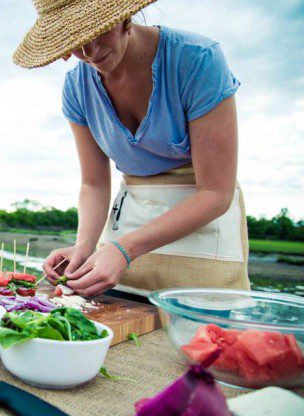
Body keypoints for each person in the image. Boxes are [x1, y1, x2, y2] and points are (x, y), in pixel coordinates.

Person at [13, 0, 250, 295]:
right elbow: (94, 184)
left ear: (124, 15)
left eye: (97, 32)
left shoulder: (197, 59)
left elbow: (215, 193)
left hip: (202, 228)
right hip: (127, 227)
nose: (90, 53)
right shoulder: (76, 87)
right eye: (75, 42)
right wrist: (84, 247)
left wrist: (125, 249)